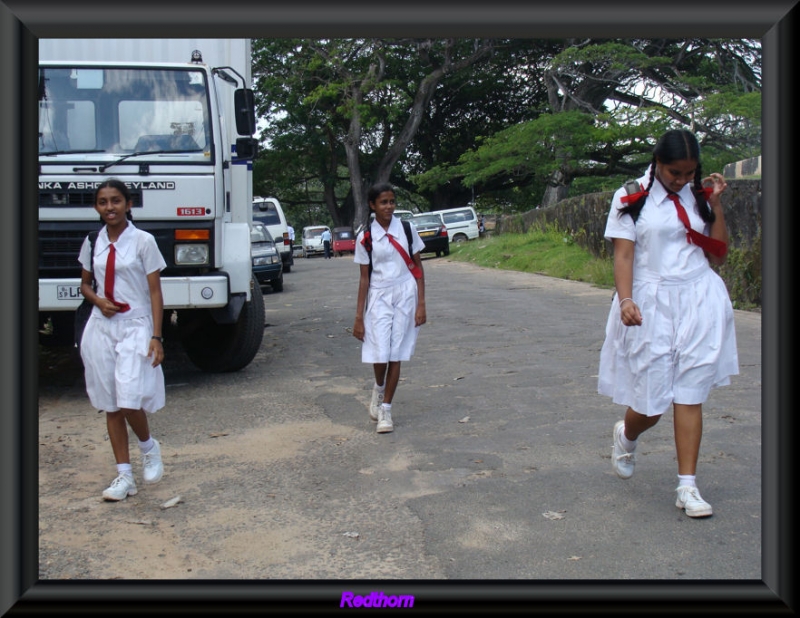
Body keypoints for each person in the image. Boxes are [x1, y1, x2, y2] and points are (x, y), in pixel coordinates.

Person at [598, 129, 739, 518]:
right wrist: (626, 299)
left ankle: (688, 487)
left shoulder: (698, 195)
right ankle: (627, 434)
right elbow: (624, 255)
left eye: (689, 173)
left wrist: (716, 206)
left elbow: (720, 254)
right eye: (675, 172)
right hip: (651, 301)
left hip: (698, 298)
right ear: (657, 162)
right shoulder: (631, 196)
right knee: (653, 403)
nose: (681, 180)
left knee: (690, 393)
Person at [78, 179, 168, 501]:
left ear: (128, 204)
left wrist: (156, 336)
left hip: (135, 326)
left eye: (116, 201)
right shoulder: (93, 241)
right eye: (103, 202)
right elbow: (85, 284)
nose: (109, 208)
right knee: (111, 404)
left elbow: (156, 292)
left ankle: (148, 446)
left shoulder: (143, 241)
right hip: (102, 326)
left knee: (129, 398)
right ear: (96, 207)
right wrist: (98, 301)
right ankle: (124, 476)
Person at [352, 183, 427, 433]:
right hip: (379, 295)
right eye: (383, 202)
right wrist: (359, 317)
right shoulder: (365, 238)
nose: (389, 207)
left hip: (406, 293)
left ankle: (386, 409)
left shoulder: (406, 229)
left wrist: (421, 304)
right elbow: (364, 278)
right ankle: (379, 386)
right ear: (372, 206)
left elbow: (418, 268)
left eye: (392, 202)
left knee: (396, 352)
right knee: (380, 352)